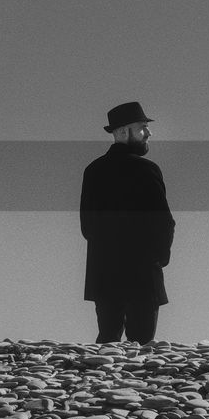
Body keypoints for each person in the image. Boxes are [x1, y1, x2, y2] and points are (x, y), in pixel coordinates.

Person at [80, 102, 175, 344]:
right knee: (142, 349)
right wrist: (159, 259)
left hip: (104, 273)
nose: (149, 133)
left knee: (107, 343)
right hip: (142, 274)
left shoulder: (93, 171)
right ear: (123, 132)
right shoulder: (147, 169)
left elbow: (87, 227)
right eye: (142, 127)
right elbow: (164, 222)